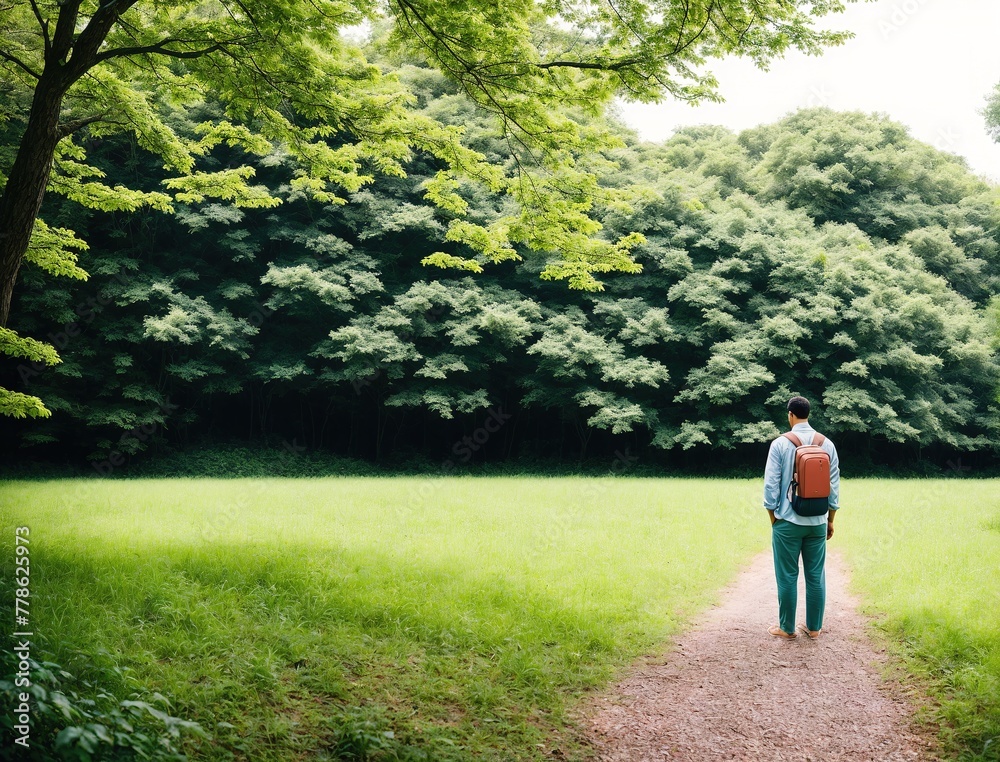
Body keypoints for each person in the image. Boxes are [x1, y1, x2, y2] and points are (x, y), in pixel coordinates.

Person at [763, 396, 840, 639]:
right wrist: (830, 519)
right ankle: (814, 628)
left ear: (790, 415)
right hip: (817, 522)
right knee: (816, 576)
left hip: (787, 522)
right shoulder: (827, 444)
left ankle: (786, 629)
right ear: (809, 414)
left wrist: (773, 517)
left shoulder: (780, 444)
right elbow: (834, 487)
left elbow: (770, 486)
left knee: (787, 575)